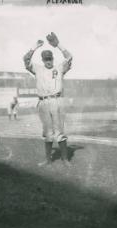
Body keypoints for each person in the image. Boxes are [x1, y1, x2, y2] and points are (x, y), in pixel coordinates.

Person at [23, 32, 72, 167]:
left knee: (60, 132)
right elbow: (26, 60)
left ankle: (65, 159)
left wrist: (58, 45)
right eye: (46, 59)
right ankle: (48, 159)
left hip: (57, 101)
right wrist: (34, 47)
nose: (48, 61)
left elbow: (69, 57)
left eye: (50, 58)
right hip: (43, 102)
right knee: (47, 133)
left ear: (52, 59)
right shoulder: (37, 68)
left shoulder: (59, 67)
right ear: (43, 60)